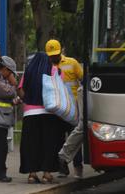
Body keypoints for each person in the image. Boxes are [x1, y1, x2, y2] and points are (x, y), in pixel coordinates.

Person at [18, 52, 67, 184]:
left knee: (31, 145)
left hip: (30, 114)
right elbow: (60, 89)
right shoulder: (55, 70)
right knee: (49, 144)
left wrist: (28, 99)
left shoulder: (28, 71)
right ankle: (47, 174)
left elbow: (21, 90)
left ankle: (32, 174)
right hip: (49, 113)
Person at [45, 39, 84, 178]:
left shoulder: (72, 63)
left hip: (74, 108)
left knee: (75, 138)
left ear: (60, 51)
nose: (53, 58)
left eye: (55, 54)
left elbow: (84, 79)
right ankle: (62, 168)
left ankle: (78, 167)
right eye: (51, 55)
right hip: (57, 109)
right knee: (59, 138)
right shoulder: (47, 66)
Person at [0, 56, 17, 182]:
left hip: (1, 120)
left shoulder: (2, 78)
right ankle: (0, 174)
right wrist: (14, 85)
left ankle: (0, 172)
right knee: (1, 148)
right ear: (4, 68)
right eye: (10, 72)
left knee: (1, 147)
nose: (11, 76)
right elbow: (7, 92)